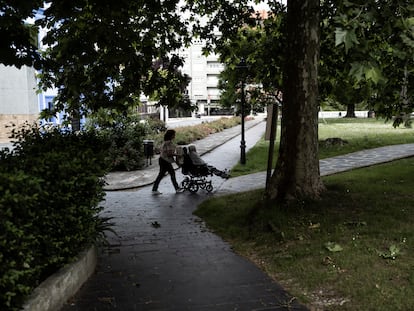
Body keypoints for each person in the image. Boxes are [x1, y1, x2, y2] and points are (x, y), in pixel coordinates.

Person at [152, 129, 184, 195]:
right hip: (165, 160)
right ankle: (177, 188)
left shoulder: (166, 142)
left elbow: (169, 155)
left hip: (162, 159)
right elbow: (169, 154)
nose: (175, 135)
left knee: (161, 175)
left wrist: (176, 161)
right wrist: (179, 155)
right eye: (174, 134)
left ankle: (154, 189)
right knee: (172, 173)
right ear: (171, 135)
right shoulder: (168, 143)